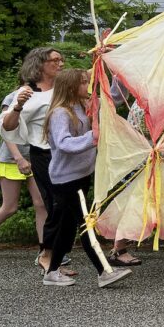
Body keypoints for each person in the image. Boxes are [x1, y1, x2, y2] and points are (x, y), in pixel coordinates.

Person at [38, 69, 133, 287]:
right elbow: (63, 143)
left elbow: (115, 98)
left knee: (68, 228)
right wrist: (93, 136)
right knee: (86, 225)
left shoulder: (85, 105)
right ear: (70, 86)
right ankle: (104, 271)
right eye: (83, 82)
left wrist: (116, 70)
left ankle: (52, 272)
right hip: (65, 180)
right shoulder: (61, 113)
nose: (88, 86)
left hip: (80, 176)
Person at [0, 50, 56, 268]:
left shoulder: (49, 95)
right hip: (12, 159)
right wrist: (19, 158)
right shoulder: (14, 96)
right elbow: (7, 131)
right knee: (10, 207)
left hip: (35, 158)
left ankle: (44, 251)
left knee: (41, 204)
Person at [0, 47, 70, 274]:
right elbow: (7, 127)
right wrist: (18, 106)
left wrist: (101, 56)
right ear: (39, 64)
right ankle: (48, 256)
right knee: (53, 205)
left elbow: (87, 79)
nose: (60, 64)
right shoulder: (26, 92)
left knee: (65, 208)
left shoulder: (62, 88)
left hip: (66, 154)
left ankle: (54, 258)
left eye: (61, 60)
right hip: (42, 155)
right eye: (54, 60)